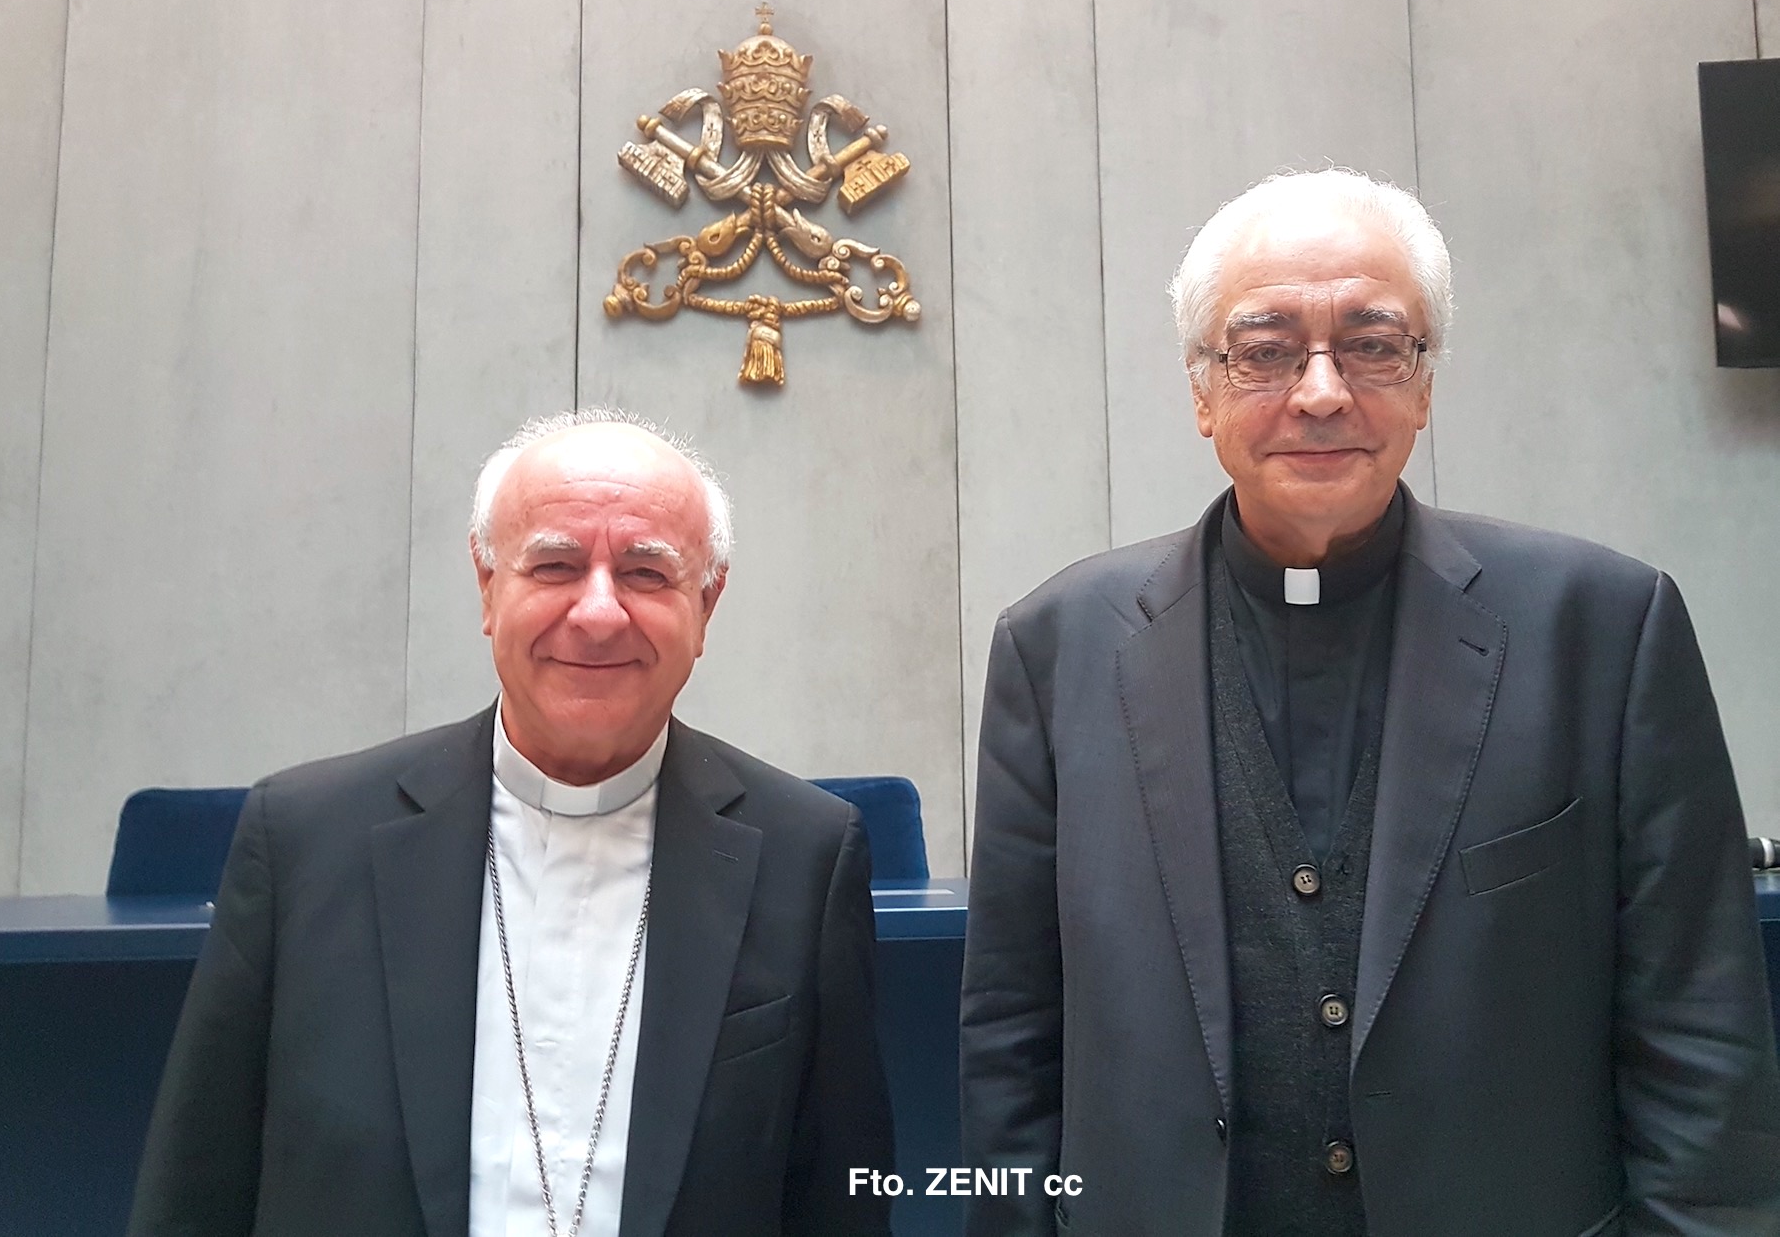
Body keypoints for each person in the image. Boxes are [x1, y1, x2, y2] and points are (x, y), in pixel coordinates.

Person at [959, 168, 1780, 1236]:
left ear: (1424, 385)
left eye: (1373, 345)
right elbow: (1012, 1037)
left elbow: (1699, 1026)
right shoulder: (1057, 646)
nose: (1320, 393)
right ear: (1201, 391)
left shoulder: (1603, 628)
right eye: (1263, 351)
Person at [129, 410, 894, 1237]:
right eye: (555, 565)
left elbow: (842, 1201)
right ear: (488, 584)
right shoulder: (305, 841)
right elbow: (195, 1188)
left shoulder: (806, 859)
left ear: (706, 605)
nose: (598, 613)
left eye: (645, 573)